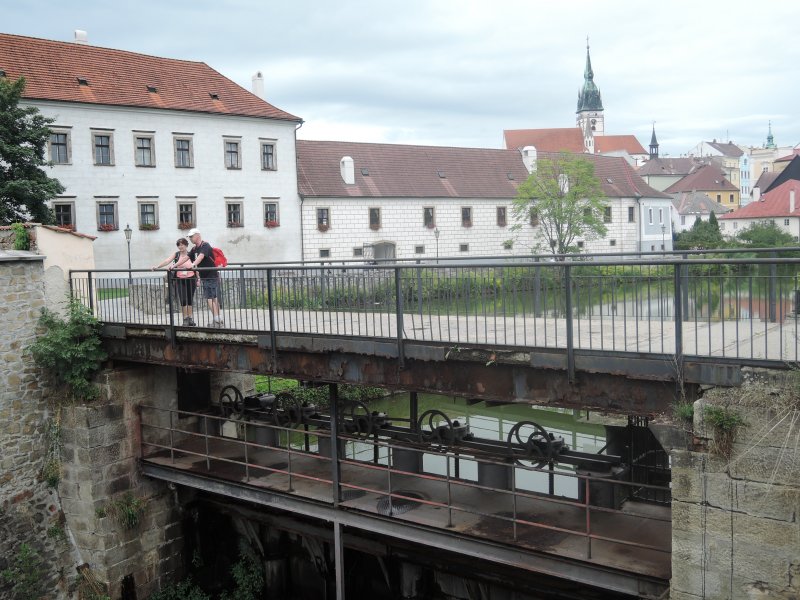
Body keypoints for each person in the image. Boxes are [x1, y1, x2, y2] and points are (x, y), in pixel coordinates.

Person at [152, 238, 197, 326]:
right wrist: (157, 267)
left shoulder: (191, 254)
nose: (181, 246)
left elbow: (196, 265)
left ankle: (190, 318)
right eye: (179, 245)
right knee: (183, 299)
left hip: (191, 278)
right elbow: (167, 261)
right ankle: (185, 319)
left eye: (182, 244)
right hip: (180, 279)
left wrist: (198, 278)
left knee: (190, 299)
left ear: (186, 245)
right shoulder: (176, 255)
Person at [187, 228, 223, 326]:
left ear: (197, 236)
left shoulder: (205, 245)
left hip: (211, 275)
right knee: (214, 298)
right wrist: (174, 265)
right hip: (206, 276)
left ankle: (217, 321)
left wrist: (193, 264)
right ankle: (219, 319)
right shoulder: (194, 249)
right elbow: (186, 257)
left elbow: (201, 256)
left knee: (210, 298)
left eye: (191, 236)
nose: (190, 238)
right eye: (189, 237)